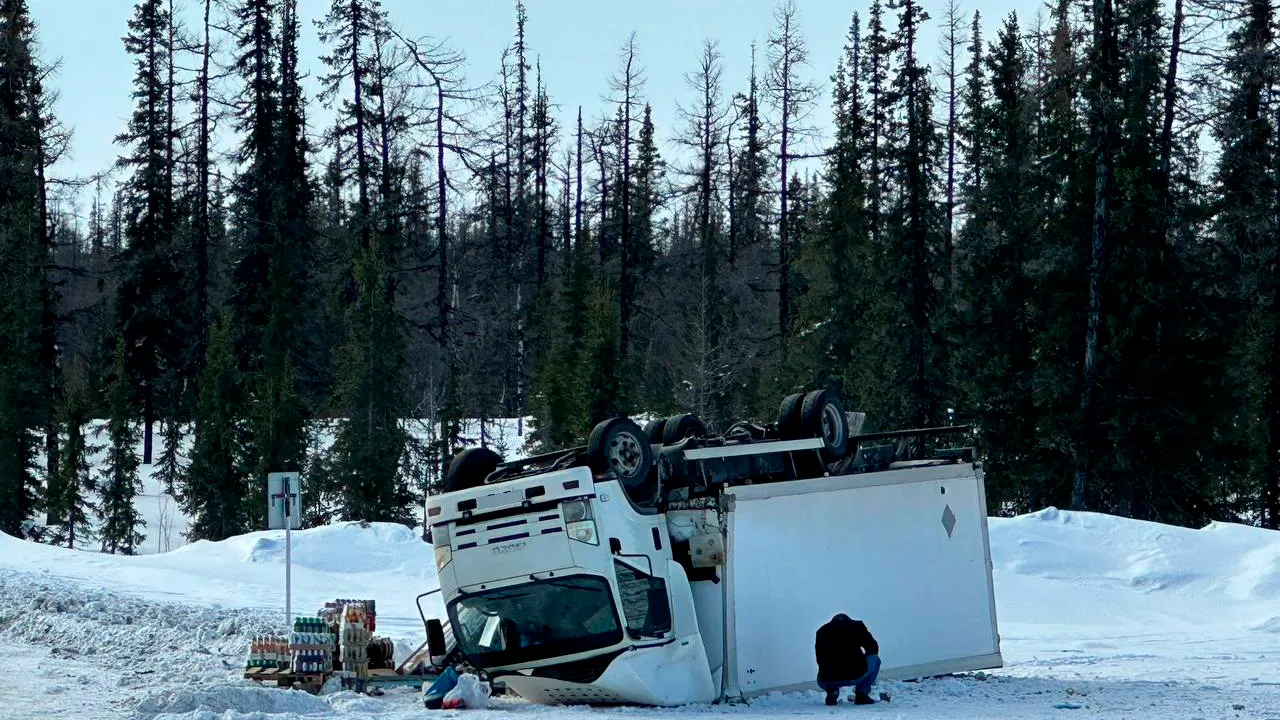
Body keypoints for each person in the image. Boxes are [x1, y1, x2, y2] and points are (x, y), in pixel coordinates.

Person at [815, 613, 881, 706]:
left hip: (827, 679)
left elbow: (819, 659)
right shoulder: (856, 626)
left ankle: (832, 691)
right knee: (875, 659)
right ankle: (861, 693)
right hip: (856, 675)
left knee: (823, 673)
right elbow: (873, 648)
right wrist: (862, 660)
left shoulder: (821, 632)